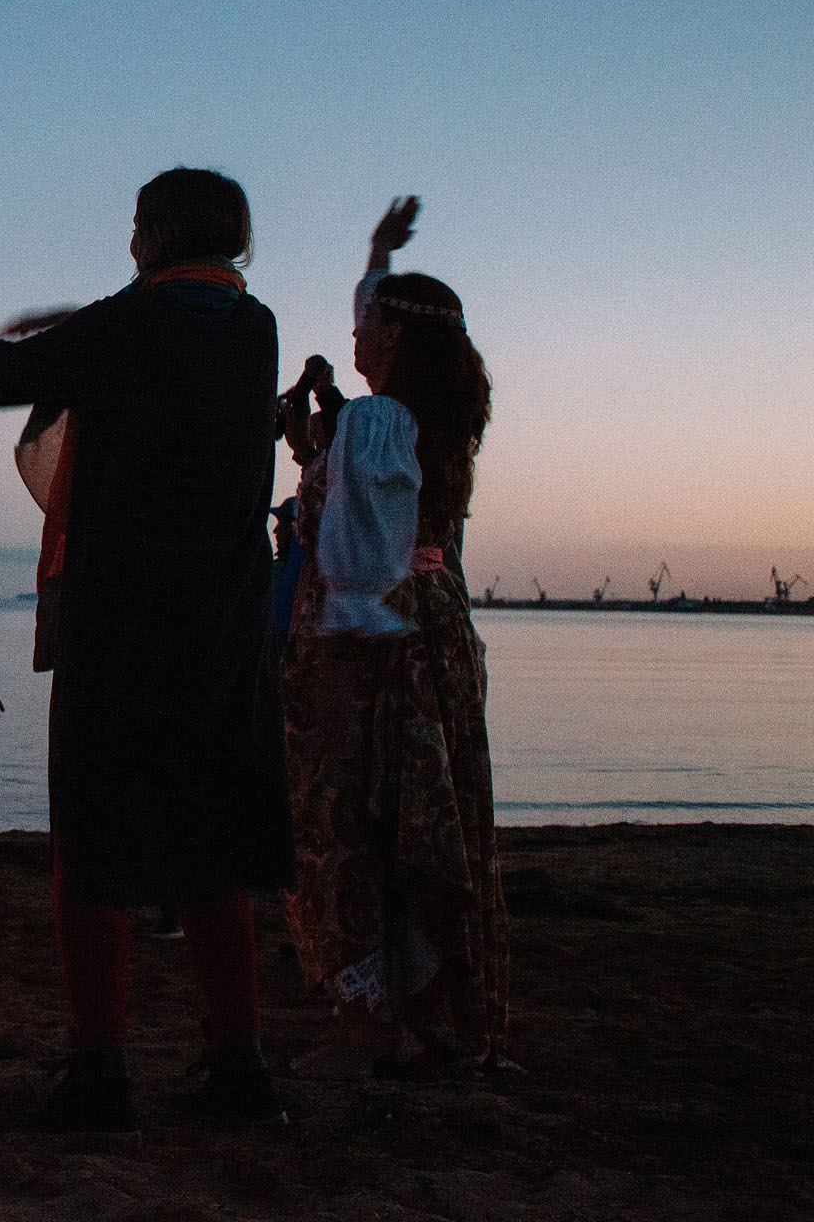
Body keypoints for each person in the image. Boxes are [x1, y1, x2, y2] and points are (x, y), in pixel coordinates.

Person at [0, 167, 292, 1133]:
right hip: (226, 629)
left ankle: (100, 1071)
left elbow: (21, 369)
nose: (127, 235)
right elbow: (132, 336)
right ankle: (243, 1067)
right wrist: (75, 323)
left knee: (92, 849)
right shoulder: (253, 330)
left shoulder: (128, 328)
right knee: (214, 851)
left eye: (137, 221)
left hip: (122, 625)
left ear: (160, 232)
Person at [278, 197, 509, 1078]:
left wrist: (339, 663)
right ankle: (415, 1012)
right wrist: (376, 251)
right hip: (437, 630)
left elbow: (361, 564)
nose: (356, 331)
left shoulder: (376, 424)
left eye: (369, 320)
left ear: (395, 338)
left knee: (344, 822)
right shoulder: (433, 418)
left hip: (382, 642)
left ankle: (367, 1024)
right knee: (421, 824)